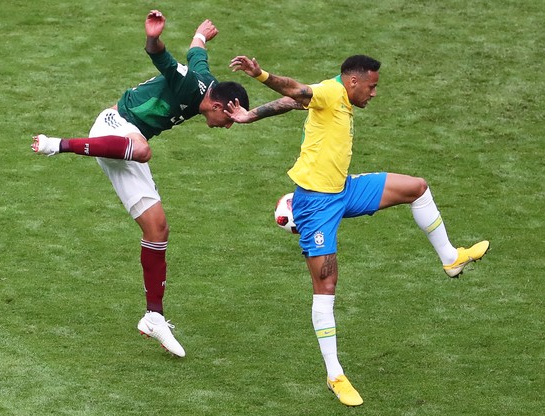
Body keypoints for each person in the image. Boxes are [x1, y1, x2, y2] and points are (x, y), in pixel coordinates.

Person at [228, 54, 489, 406]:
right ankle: (334, 374)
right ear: (354, 82)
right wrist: (259, 74)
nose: (374, 93)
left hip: (343, 189)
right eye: (372, 86)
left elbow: (291, 102)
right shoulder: (329, 92)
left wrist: (250, 115)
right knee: (326, 285)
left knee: (417, 187)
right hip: (317, 205)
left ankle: (451, 258)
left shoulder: (331, 94)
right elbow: (293, 88)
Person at [31, 10, 249, 358]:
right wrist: (152, 36)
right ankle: (59, 144)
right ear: (220, 106)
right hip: (113, 128)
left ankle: (153, 317)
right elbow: (161, 56)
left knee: (158, 228)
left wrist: (201, 35)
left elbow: (197, 54)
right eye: (230, 120)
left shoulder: (208, 83)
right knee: (145, 149)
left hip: (127, 144)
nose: (228, 126)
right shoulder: (189, 85)